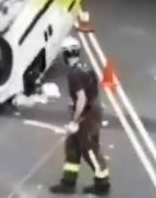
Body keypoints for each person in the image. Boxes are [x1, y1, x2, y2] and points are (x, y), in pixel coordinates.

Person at [50, 36, 111, 196]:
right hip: (91, 111)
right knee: (72, 147)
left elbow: (82, 99)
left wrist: (75, 121)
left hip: (87, 116)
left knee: (89, 150)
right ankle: (68, 182)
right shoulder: (86, 67)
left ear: (65, 55)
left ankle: (102, 185)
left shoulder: (74, 74)